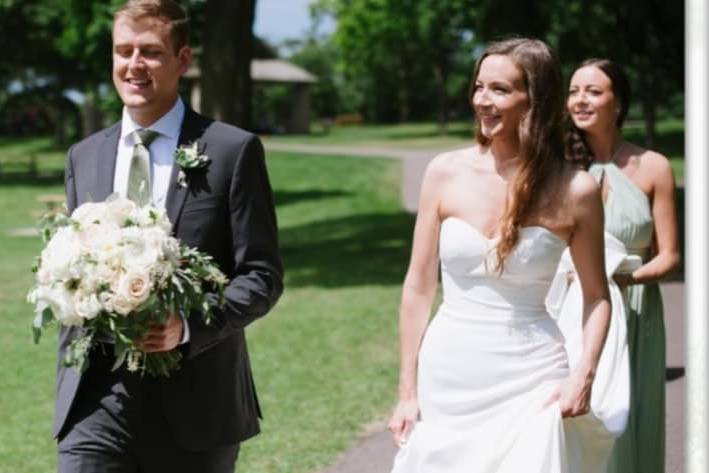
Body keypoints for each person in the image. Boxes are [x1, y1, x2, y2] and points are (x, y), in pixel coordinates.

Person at [55, 1, 283, 472]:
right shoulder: (84, 157)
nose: (134, 65)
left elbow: (261, 275)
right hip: (97, 403)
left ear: (183, 60)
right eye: (123, 51)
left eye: (151, 52)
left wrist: (188, 326)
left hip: (197, 408)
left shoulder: (230, 151)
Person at [386, 37, 612, 473]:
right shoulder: (444, 173)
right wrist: (407, 392)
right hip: (450, 371)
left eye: (500, 90)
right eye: (478, 87)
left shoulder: (577, 190)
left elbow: (596, 296)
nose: (482, 101)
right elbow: (418, 287)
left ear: (536, 99)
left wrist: (583, 375)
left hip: (533, 376)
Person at [565, 58, 680, 473]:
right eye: (574, 91)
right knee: (580, 417)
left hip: (634, 310)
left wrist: (621, 279)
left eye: (593, 91)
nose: (580, 99)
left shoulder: (654, 167)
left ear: (618, 103)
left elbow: (669, 255)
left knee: (629, 418)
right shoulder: (557, 165)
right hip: (573, 308)